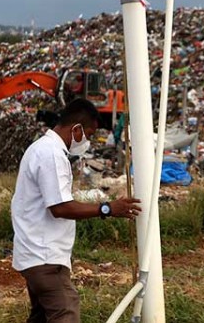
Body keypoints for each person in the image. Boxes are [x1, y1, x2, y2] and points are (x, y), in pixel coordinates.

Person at [11, 98, 141, 323]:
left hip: (35, 255)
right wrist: (107, 208)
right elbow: (60, 208)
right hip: (45, 258)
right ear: (76, 129)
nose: (87, 141)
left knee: (42, 316)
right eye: (88, 134)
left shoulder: (42, 149)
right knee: (65, 312)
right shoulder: (51, 154)